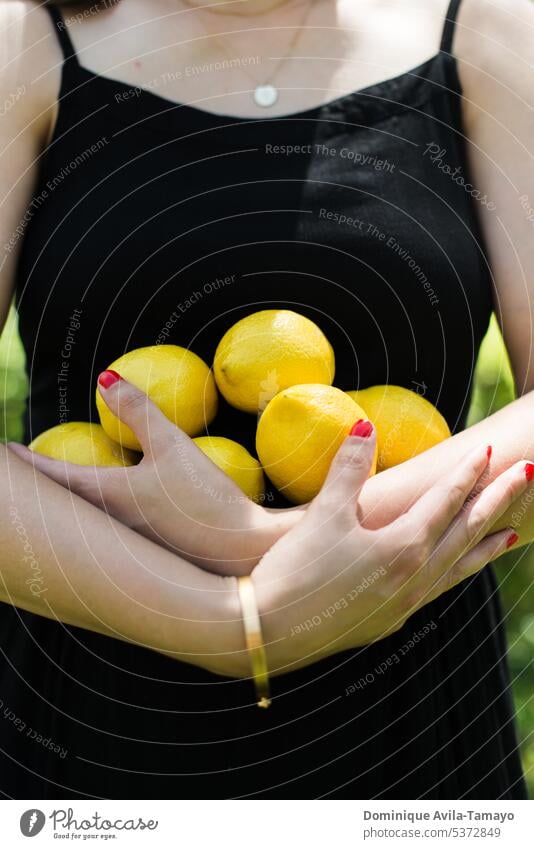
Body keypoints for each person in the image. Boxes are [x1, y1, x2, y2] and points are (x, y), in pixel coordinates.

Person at [0, 0, 533, 799]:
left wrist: (268, 542)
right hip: (89, 697)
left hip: (409, 702)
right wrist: (237, 622)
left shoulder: (492, 27)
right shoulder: (22, 35)